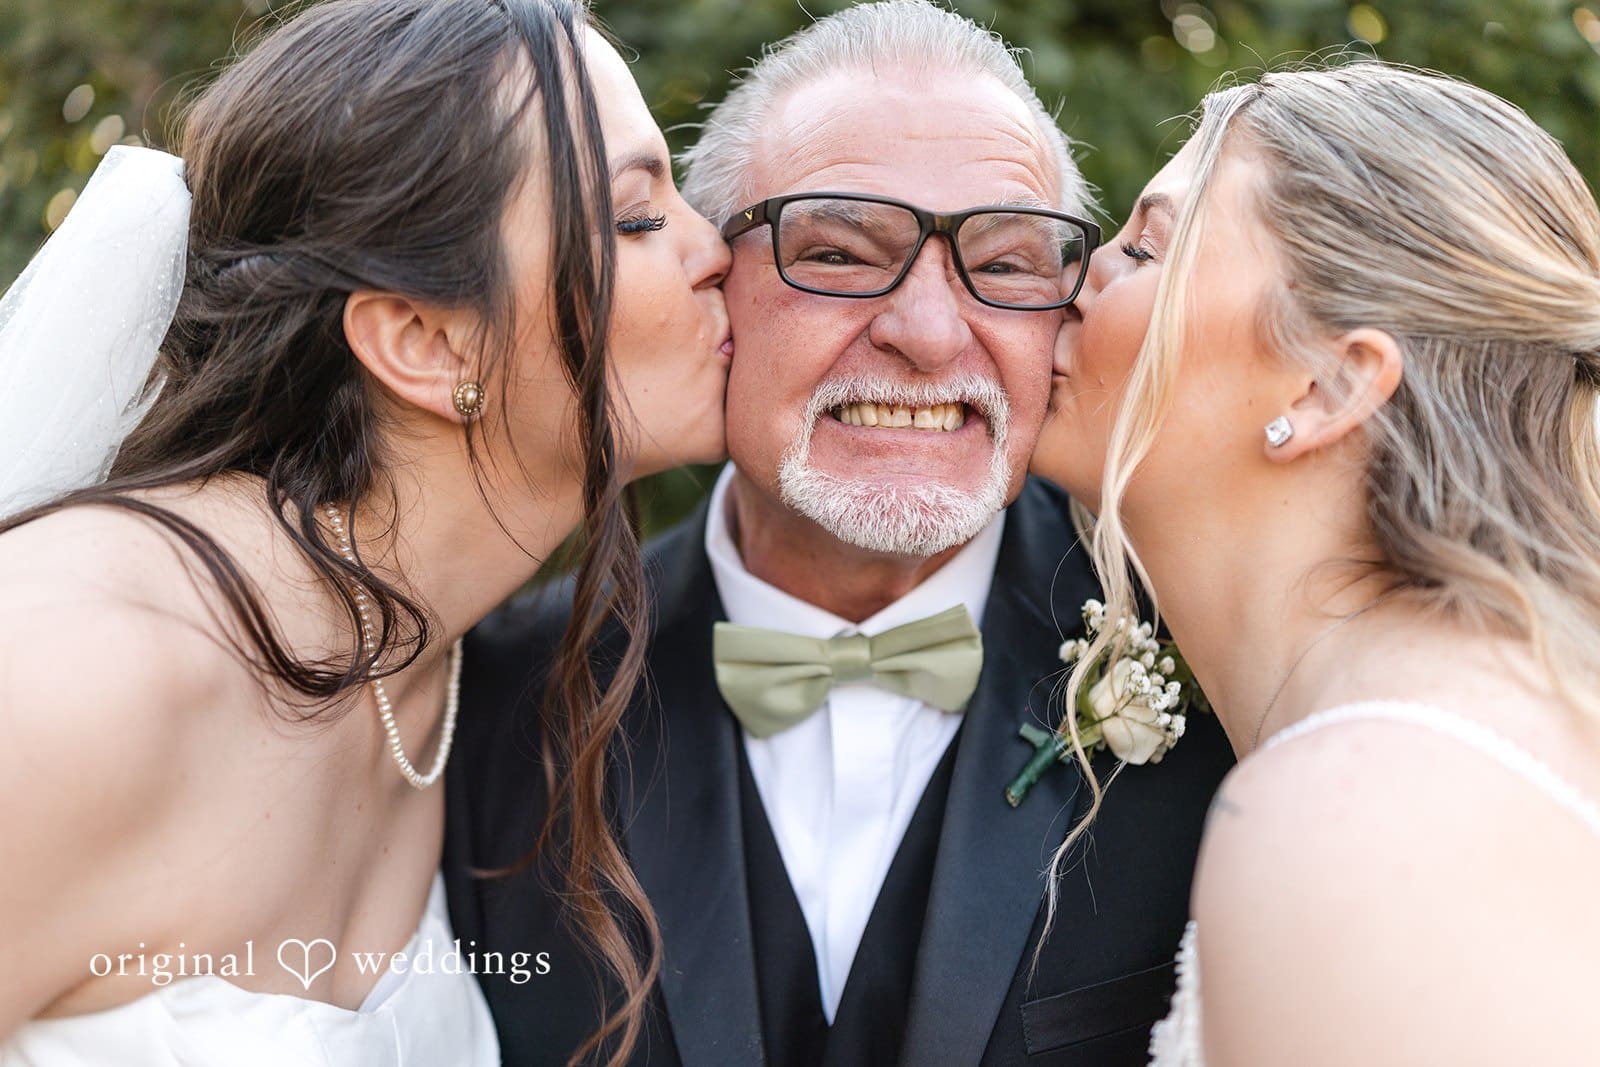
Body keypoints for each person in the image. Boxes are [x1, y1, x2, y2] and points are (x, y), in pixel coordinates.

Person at [445, 2, 1234, 1064]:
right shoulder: (484, 707)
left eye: (1002, 265)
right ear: (713, 285)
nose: (925, 332)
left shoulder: (1217, 683)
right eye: (840, 251)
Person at [0, 0, 730, 1064]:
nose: (721, 251)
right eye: (635, 218)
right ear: (426, 342)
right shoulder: (76, 672)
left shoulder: (434, 666)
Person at [1030, 61, 1600, 1066]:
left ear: (1333, 383)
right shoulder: (1478, 727)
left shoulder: (1361, 810)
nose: (1066, 287)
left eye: (1143, 248)